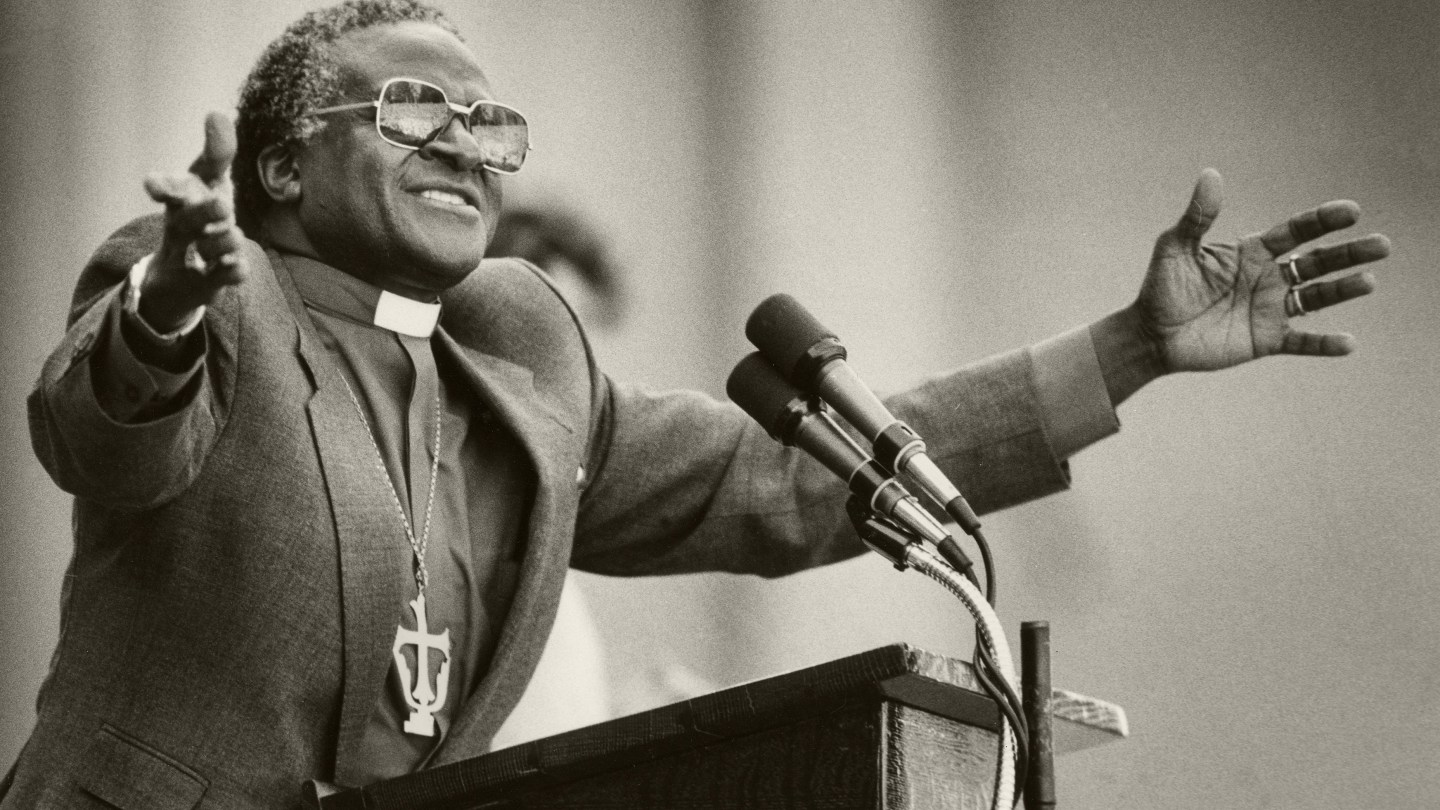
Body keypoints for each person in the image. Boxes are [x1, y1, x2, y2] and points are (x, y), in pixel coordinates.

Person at [6, 1, 1390, 807]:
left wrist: (1127, 350)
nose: (467, 149)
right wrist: (169, 306)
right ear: (285, 169)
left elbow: (783, 479)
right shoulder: (205, 289)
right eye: (417, 111)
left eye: (491, 129)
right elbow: (104, 433)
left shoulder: (517, 366)